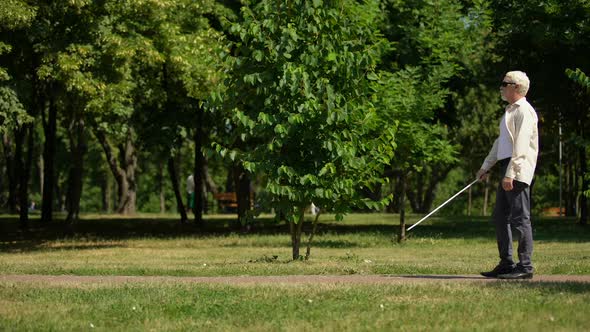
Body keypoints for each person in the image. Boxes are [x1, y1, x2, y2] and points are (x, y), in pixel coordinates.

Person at [476, 71, 539, 280]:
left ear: (516, 87)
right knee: (500, 216)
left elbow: (520, 146)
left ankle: (526, 267)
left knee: (521, 218)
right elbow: (500, 143)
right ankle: (506, 263)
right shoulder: (509, 111)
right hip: (507, 167)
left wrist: (510, 174)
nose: (501, 87)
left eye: (505, 83)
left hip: (517, 170)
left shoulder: (524, 111)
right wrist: (486, 166)